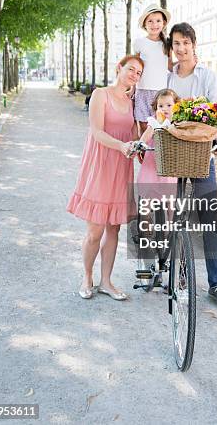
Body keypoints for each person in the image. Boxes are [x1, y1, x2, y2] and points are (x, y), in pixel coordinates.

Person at [167, 22, 217, 310]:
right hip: (174, 157)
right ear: (171, 48)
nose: (181, 49)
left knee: (210, 220)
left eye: (185, 43)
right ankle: (179, 276)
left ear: (194, 44)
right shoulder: (168, 78)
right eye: (176, 44)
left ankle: (216, 284)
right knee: (176, 218)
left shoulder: (207, 76)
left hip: (202, 158)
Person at [66, 54, 144, 300]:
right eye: (131, 69)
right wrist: (121, 146)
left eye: (138, 73)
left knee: (114, 229)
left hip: (122, 168)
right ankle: (87, 276)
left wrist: (138, 143)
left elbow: (134, 132)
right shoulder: (101, 94)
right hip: (101, 165)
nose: (134, 74)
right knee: (95, 231)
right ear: (119, 68)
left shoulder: (133, 101)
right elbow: (96, 132)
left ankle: (107, 282)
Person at [133, 4, 172, 135]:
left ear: (164, 23)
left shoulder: (167, 43)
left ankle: (157, 155)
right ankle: (144, 154)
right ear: (145, 24)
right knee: (143, 126)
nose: (154, 24)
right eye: (150, 21)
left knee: (159, 127)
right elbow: (135, 67)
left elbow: (171, 66)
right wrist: (132, 89)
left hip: (160, 93)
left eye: (158, 21)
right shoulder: (139, 43)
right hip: (142, 90)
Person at [136, 88, 179, 201]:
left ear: (176, 106)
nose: (164, 109)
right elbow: (148, 133)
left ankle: (170, 217)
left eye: (169, 105)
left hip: (169, 161)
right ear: (156, 108)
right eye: (160, 106)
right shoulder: (155, 120)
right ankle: (147, 215)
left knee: (170, 193)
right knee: (148, 186)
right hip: (153, 158)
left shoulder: (177, 121)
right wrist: (140, 144)